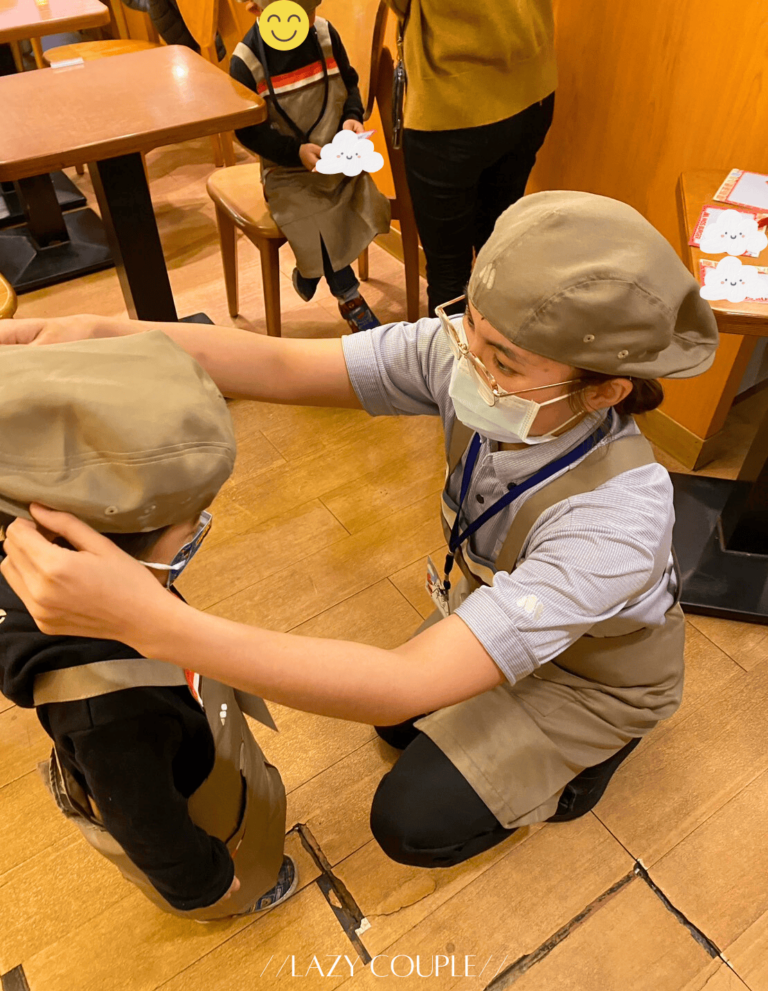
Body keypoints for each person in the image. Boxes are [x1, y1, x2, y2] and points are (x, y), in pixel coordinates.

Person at [1, 192, 719, 869]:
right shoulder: (469, 362)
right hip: (499, 598)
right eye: (469, 326)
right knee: (394, 725)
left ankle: (601, 747)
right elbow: (283, 364)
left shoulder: (616, 523)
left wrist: (148, 622)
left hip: (593, 677)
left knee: (410, 819)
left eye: (503, 361)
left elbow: (404, 682)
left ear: (604, 390)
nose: (469, 361)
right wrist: (102, 334)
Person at [0, 333, 293, 919]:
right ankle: (248, 890)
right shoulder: (109, 712)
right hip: (197, 809)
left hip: (179, 722)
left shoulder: (31, 554)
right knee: (232, 844)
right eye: (187, 532)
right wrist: (202, 881)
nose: (195, 534)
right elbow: (144, 820)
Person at [384, 0, 556, 316]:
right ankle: (496, 346)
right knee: (498, 254)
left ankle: (455, 349)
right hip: (532, 88)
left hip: (449, 100)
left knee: (449, 275)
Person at [229, 0, 390, 332]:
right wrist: (295, 152)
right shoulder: (246, 62)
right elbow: (247, 131)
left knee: (363, 202)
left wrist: (352, 117)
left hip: (337, 159)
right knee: (316, 222)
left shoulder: (326, 35)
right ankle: (350, 298)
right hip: (287, 171)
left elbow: (349, 83)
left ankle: (309, 271)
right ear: (255, 9)